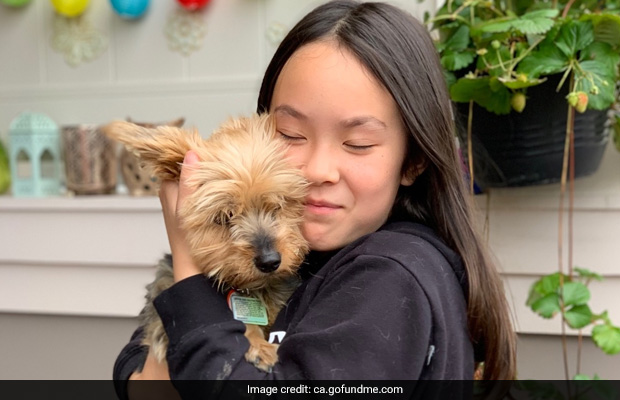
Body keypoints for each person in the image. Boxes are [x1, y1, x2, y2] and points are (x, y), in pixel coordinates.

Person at [114, 0, 516, 397]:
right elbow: (138, 363)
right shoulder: (316, 251)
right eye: (290, 134)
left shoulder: (389, 278)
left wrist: (187, 267)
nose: (317, 170)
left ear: (413, 160)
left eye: (357, 142)